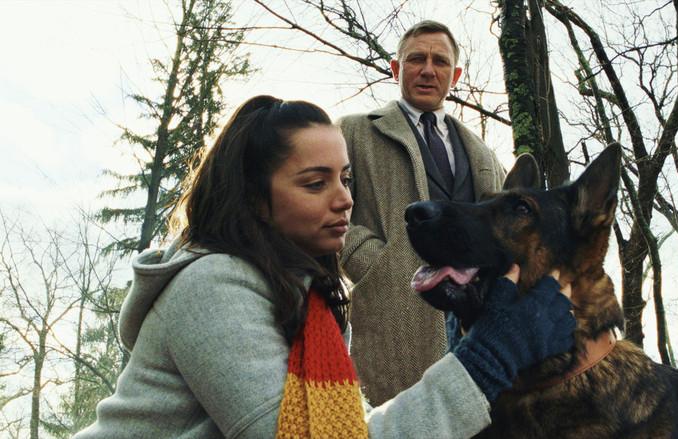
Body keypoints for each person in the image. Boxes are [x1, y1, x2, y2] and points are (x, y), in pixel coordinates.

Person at [73, 95, 575, 438]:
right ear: (254, 199)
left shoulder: (308, 303)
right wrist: (489, 355)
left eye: (346, 179)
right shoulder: (211, 286)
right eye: (315, 184)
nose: (344, 201)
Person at [338, 20, 507, 404]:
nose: (428, 70)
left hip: (472, 321)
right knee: (401, 421)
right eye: (416, 59)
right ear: (397, 69)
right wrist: (375, 264)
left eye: (440, 61)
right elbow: (326, 210)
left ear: (455, 75)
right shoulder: (353, 132)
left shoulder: (482, 151)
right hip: (396, 313)